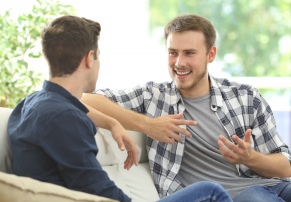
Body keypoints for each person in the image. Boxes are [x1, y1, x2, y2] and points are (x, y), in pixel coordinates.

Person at [81, 14, 291, 201]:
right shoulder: (153, 96)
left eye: (189, 53)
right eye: (172, 53)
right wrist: (147, 125)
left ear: (211, 54)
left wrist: (249, 157)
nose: (179, 63)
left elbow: (285, 167)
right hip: (234, 197)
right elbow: (85, 99)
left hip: (280, 186)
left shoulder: (246, 97)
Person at [7, 15, 233, 202]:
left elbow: (71, 105)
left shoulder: (32, 102)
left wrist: (113, 122)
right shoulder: (64, 119)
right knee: (210, 192)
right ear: (89, 59)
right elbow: (97, 189)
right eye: (99, 58)